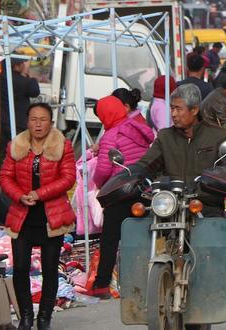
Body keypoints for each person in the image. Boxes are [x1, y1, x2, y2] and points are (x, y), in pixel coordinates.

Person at [130, 84, 226, 297]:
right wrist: (132, 174)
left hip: (204, 204)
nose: (173, 114)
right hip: (170, 204)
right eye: (172, 108)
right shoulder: (165, 137)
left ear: (194, 110)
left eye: (179, 109)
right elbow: (148, 163)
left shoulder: (217, 136)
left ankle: (218, 286)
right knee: (135, 231)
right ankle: (138, 290)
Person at [0, 103, 76, 330]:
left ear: (51, 122)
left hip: (51, 216)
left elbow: (68, 178)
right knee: (21, 268)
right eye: (34, 119)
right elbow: (5, 177)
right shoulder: (16, 146)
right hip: (22, 215)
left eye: (43, 119)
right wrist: (20, 195)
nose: (38, 124)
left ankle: (44, 318)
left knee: (50, 269)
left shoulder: (64, 145)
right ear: (27, 121)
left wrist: (39, 194)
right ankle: (25, 317)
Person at [89, 96, 154, 299]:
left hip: (121, 192)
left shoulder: (110, 136)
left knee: (110, 239)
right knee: (142, 236)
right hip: (143, 188)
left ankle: (101, 284)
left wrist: (98, 183)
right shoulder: (137, 127)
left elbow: (103, 170)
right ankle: (144, 279)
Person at [0, 57, 41, 161]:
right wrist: (27, 74)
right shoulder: (24, 82)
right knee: (18, 152)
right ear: (17, 66)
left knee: (3, 151)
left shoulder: (3, 77)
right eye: (24, 63)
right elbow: (35, 91)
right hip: (17, 122)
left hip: (3, 119)